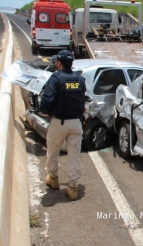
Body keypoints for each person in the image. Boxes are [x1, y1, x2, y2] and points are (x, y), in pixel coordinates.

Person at [39, 50, 86, 200]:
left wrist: (46, 111)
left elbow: (46, 100)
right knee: (74, 155)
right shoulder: (80, 79)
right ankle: (73, 188)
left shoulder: (55, 78)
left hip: (59, 122)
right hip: (76, 123)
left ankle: (53, 179)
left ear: (58, 63)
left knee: (53, 150)